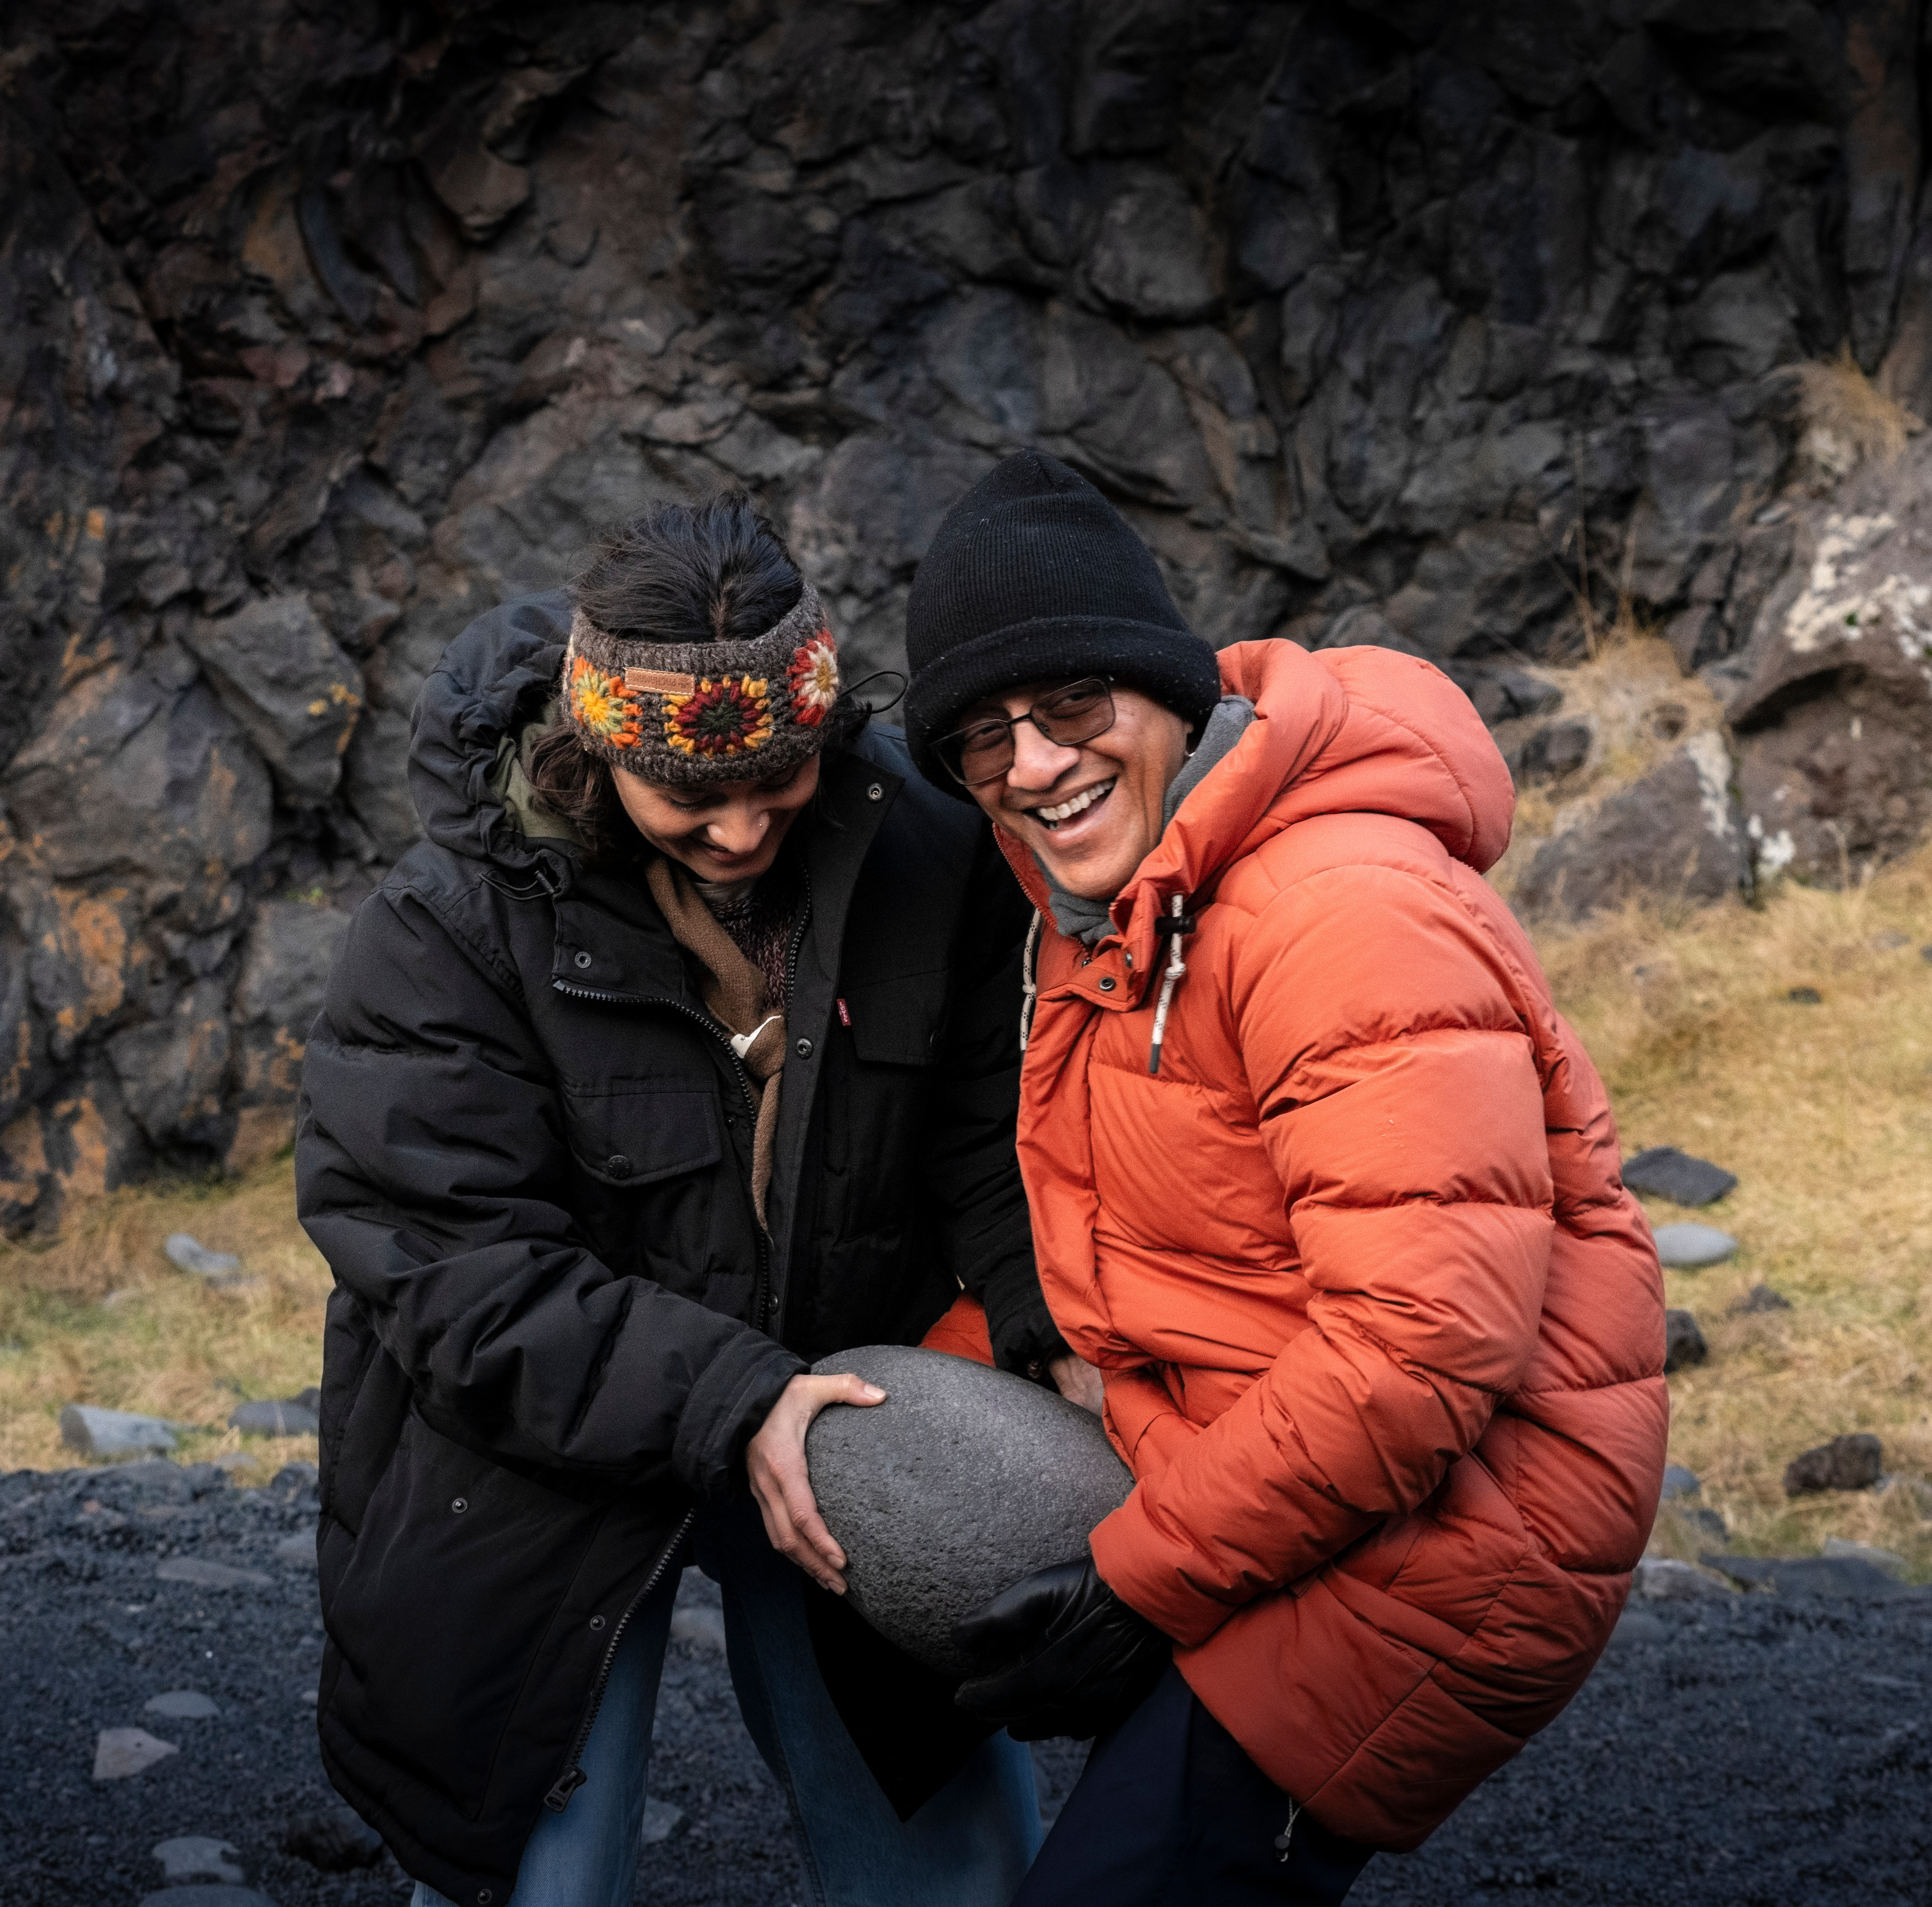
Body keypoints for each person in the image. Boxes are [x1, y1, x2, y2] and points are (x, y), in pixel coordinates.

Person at [899, 452, 1669, 1906]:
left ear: (1169, 692)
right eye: (982, 742)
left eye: (1071, 707)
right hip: (1308, 1462)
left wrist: (1136, 1581)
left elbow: (1421, 1350)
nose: (1036, 765)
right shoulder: (1115, 904)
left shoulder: (1335, 913)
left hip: (1468, 1528)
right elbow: (1150, 1252)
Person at [295, 496, 1082, 1907]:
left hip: (846, 1406)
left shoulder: (927, 847)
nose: (740, 829)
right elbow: (450, 1265)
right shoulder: (448, 923)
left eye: (778, 781)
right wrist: (734, 1400)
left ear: (825, 727)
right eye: (690, 799)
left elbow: (987, 1134)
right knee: (541, 1859)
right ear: (601, 754)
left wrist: (1044, 1319)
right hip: (538, 1443)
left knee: (948, 1846)